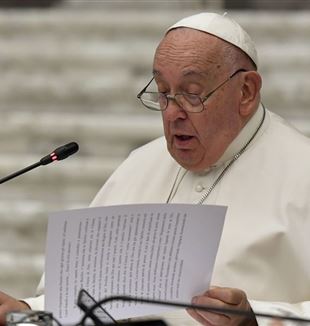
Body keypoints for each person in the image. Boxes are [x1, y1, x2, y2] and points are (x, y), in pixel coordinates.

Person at [1, 11, 310, 326]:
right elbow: (81, 298)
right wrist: (26, 309)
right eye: (163, 93)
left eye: (192, 94)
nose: (173, 112)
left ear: (246, 92)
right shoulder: (139, 166)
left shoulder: (303, 173)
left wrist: (254, 320)